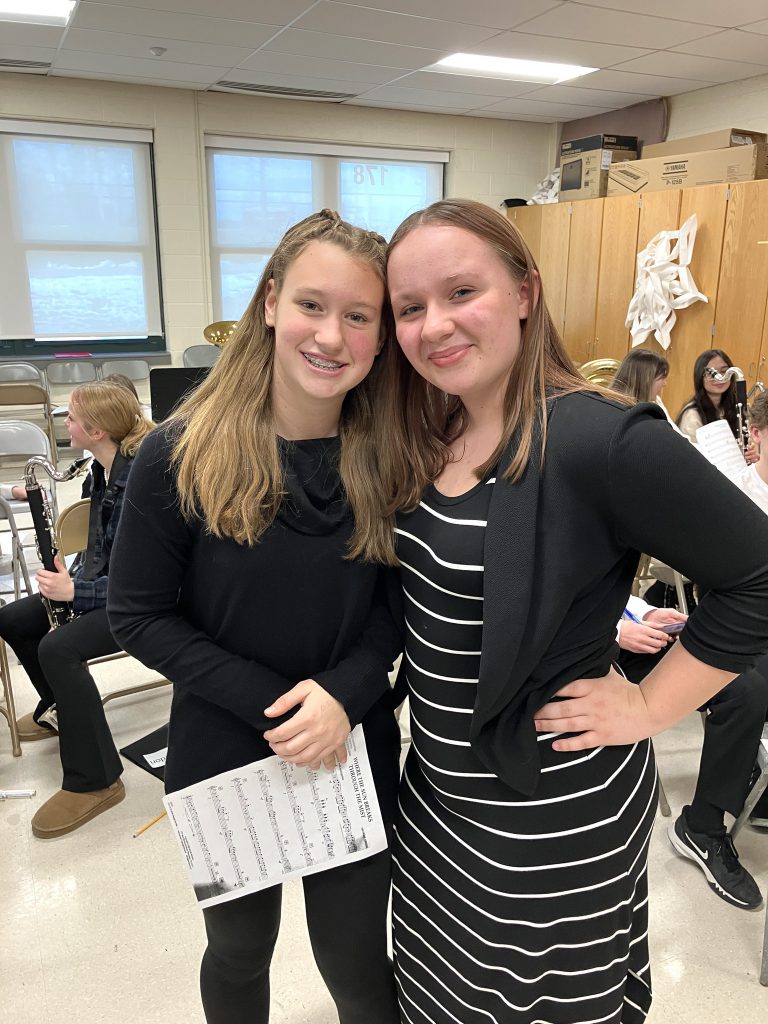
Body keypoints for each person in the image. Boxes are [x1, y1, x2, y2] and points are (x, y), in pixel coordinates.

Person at [384, 198, 768, 1023]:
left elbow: (759, 575)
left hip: (551, 819)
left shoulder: (599, 437)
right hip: (441, 807)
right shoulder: (433, 427)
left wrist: (650, 702)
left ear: (525, 292)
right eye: (409, 307)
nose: (433, 324)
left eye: (460, 293)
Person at [107, 210, 403, 1024]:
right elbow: (139, 617)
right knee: (238, 952)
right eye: (312, 305)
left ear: (380, 337)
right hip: (228, 743)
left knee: (353, 954)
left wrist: (341, 697)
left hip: (349, 740)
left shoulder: (389, 455)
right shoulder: (179, 450)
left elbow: (392, 615)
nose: (331, 335)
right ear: (270, 302)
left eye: (358, 316)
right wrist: (283, 708)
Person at [0, 380, 153, 837]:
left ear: (98, 428)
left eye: (71, 417)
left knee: (58, 648)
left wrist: (77, 595)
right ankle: (61, 708)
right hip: (108, 587)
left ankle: (97, 780)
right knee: (13, 619)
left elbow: (143, 581)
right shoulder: (100, 470)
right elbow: (104, 548)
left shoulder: (142, 483)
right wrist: (75, 576)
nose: (64, 423)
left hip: (151, 605)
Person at [676, 349, 757, 466]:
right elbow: (689, 459)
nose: (719, 377)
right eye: (711, 373)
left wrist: (754, 454)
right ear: (700, 377)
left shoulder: (737, 407)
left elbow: (753, 445)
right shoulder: (692, 415)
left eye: (724, 371)